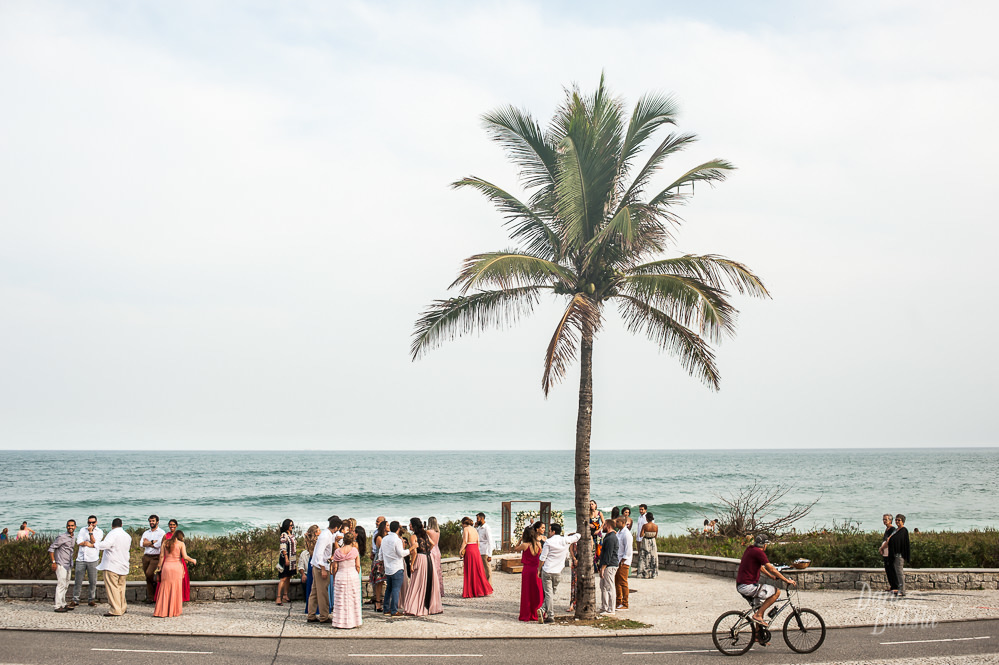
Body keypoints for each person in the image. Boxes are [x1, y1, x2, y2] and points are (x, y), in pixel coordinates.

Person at [736, 534, 795, 627]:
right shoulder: (759, 552)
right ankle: (758, 615)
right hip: (748, 586)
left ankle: (757, 635)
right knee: (776, 592)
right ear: (764, 545)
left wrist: (771, 577)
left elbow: (761, 568)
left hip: (742, 585)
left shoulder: (750, 549)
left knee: (760, 607)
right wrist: (786, 580)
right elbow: (771, 568)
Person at [400, 518, 443, 616]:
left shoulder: (413, 536)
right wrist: (428, 551)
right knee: (428, 581)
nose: (409, 526)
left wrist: (412, 564)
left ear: (414, 526)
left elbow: (414, 552)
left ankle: (415, 607)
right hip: (429, 558)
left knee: (417, 582)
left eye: (410, 524)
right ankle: (431, 607)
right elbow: (432, 544)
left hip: (420, 558)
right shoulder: (425, 535)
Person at [539, 522, 580, 623]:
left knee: (549, 593)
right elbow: (578, 536)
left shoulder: (548, 542)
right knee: (551, 592)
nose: (548, 532)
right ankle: (544, 610)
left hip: (547, 569)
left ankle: (549, 614)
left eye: (549, 530)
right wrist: (571, 534)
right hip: (558, 571)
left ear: (553, 531)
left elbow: (542, 558)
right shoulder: (565, 540)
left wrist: (539, 569)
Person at [153, 530, 197, 617]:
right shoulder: (181, 544)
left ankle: (161, 611)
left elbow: (161, 556)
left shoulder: (165, 543)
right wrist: (193, 560)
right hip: (177, 568)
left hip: (166, 567)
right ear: (181, 537)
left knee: (164, 588)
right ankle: (173, 611)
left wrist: (159, 567)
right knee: (175, 589)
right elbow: (185, 557)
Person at [93, 518, 131, 616]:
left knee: (112, 588)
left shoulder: (112, 533)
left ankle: (115, 609)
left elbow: (106, 545)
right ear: (121, 525)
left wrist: (95, 544)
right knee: (121, 588)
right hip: (123, 564)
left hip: (112, 565)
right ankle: (122, 607)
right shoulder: (127, 536)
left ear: (112, 525)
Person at [307, 515, 341, 624]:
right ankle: (324, 616)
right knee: (323, 593)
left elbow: (336, 536)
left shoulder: (327, 534)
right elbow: (319, 554)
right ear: (336, 527)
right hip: (320, 566)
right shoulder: (325, 536)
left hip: (316, 566)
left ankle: (311, 614)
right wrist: (323, 569)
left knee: (315, 592)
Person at [331, 531, 362, 628]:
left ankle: (340, 622)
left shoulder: (337, 551)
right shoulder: (354, 551)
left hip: (341, 575)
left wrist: (335, 577)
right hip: (352, 575)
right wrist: (356, 573)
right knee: (353, 598)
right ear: (352, 540)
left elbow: (335, 567)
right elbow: (357, 566)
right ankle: (354, 621)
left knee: (341, 599)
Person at [70, 515, 102, 608]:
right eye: (89, 522)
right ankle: (75, 599)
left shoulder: (99, 531)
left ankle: (91, 599)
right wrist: (87, 543)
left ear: (96, 522)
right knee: (78, 580)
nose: (91, 524)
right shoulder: (82, 530)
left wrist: (91, 533)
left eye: (93, 522)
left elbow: (95, 543)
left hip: (93, 558)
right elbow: (79, 542)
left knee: (92, 581)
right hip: (81, 558)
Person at [513, 526, 544, 622]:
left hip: (527, 570)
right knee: (537, 591)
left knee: (527, 592)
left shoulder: (524, 545)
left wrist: (520, 540)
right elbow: (541, 556)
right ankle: (536, 612)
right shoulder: (538, 544)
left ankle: (526, 613)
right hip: (536, 569)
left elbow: (515, 549)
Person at [460, 516, 493, 598]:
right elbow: (478, 542)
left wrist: (460, 550)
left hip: (470, 549)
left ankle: (470, 591)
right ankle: (481, 590)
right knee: (478, 570)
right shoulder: (475, 529)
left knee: (470, 570)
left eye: (462, 523)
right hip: (476, 550)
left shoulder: (466, 529)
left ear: (464, 523)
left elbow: (465, 541)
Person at [159, 519, 191, 603]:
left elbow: (182, 550)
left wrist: (185, 559)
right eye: (170, 525)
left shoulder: (179, 535)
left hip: (179, 560)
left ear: (176, 526)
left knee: (181, 580)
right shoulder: (166, 536)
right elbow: (162, 550)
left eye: (173, 525)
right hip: (168, 559)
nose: (172, 526)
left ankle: (180, 598)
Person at [380, 520, 407, 617]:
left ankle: (386, 608)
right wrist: (410, 550)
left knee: (389, 589)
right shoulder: (397, 540)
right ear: (398, 529)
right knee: (396, 589)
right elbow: (401, 553)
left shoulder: (384, 539)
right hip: (397, 566)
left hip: (388, 567)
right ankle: (394, 610)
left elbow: (380, 554)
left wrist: (383, 561)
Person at [48, 519, 76, 613]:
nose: (70, 527)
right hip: (61, 564)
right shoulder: (61, 537)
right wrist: (53, 562)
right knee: (61, 584)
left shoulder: (73, 537)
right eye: (68, 525)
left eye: (72, 526)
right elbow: (51, 549)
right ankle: (57, 605)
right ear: (66, 526)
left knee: (66, 584)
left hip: (69, 564)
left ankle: (63, 603)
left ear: (75, 527)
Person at [140, 515, 166, 603]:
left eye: (153, 521)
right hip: (146, 556)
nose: (151, 523)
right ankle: (151, 597)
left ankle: (156, 592)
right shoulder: (146, 532)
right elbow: (141, 544)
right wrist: (152, 542)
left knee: (149, 573)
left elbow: (158, 544)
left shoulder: (161, 533)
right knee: (147, 577)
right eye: (150, 521)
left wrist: (148, 542)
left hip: (155, 557)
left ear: (157, 522)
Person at [597, 520, 619, 616]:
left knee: (610, 586)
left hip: (610, 565)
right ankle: (604, 606)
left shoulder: (611, 538)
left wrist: (603, 568)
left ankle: (611, 608)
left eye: (604, 525)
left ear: (609, 526)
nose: (603, 527)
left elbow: (608, 555)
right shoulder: (609, 537)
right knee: (603, 586)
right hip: (607, 565)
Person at [299, 525, 320, 618]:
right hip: (315, 565)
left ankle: (310, 608)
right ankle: (317, 609)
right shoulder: (316, 543)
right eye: (319, 530)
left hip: (310, 565)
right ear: (315, 533)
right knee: (316, 588)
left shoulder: (309, 543)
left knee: (311, 589)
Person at [889, 514, 911, 598]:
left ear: (902, 521)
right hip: (894, 555)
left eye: (899, 520)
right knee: (896, 572)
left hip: (899, 555)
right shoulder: (896, 530)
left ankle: (902, 590)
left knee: (899, 572)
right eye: (896, 520)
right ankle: (899, 588)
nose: (897, 522)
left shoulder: (903, 530)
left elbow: (898, 541)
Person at [614, 516, 633, 610]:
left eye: (618, 522)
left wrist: (623, 560)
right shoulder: (618, 533)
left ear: (623, 523)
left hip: (623, 562)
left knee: (623, 582)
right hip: (617, 560)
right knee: (617, 582)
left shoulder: (626, 534)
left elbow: (628, 550)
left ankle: (625, 603)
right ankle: (618, 601)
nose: (616, 523)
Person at [371, 520, 389, 612]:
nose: (389, 527)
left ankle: (384, 601)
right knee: (379, 582)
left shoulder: (387, 536)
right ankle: (377, 602)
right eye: (387, 525)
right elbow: (383, 549)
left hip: (386, 561)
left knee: (383, 582)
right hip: (379, 561)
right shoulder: (379, 537)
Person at [277, 518, 296, 606]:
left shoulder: (291, 535)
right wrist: (286, 558)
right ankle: (278, 597)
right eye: (290, 525)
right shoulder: (284, 535)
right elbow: (283, 547)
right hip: (286, 558)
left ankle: (285, 595)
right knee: (283, 577)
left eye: (292, 525)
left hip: (292, 558)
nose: (292, 527)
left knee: (288, 576)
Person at [634, 511, 659, 579]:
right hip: (653, 542)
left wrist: (646, 534)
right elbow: (656, 536)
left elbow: (641, 534)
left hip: (646, 541)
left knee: (644, 557)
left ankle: (643, 573)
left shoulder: (645, 526)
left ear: (647, 518)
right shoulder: (656, 526)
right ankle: (653, 573)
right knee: (653, 557)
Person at [880, 513, 898, 594]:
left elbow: (889, 541)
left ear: (890, 520)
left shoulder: (892, 529)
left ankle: (896, 586)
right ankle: (892, 586)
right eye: (883, 519)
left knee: (892, 569)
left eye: (886, 519)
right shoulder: (887, 529)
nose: (884, 521)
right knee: (888, 570)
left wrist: (882, 548)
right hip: (885, 553)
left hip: (890, 552)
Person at [427, 516, 444, 595]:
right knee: (437, 570)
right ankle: (439, 590)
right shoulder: (438, 532)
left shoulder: (429, 532)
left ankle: (432, 589)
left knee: (431, 570)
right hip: (437, 550)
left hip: (432, 550)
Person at [475, 513, 493, 583]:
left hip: (485, 551)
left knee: (487, 570)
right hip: (478, 551)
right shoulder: (479, 528)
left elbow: (490, 541)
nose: (476, 520)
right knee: (480, 570)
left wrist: (490, 555)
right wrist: (475, 527)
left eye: (477, 519)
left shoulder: (487, 528)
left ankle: (489, 585)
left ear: (482, 519)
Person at [588, 500, 604, 567]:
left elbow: (603, 522)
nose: (591, 506)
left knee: (599, 547)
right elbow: (585, 522)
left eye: (592, 504)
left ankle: (599, 564)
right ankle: (593, 565)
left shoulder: (599, 513)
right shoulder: (588, 513)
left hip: (598, 532)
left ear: (595, 505)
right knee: (593, 548)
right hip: (591, 532)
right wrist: (589, 525)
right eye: (590, 504)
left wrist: (599, 530)